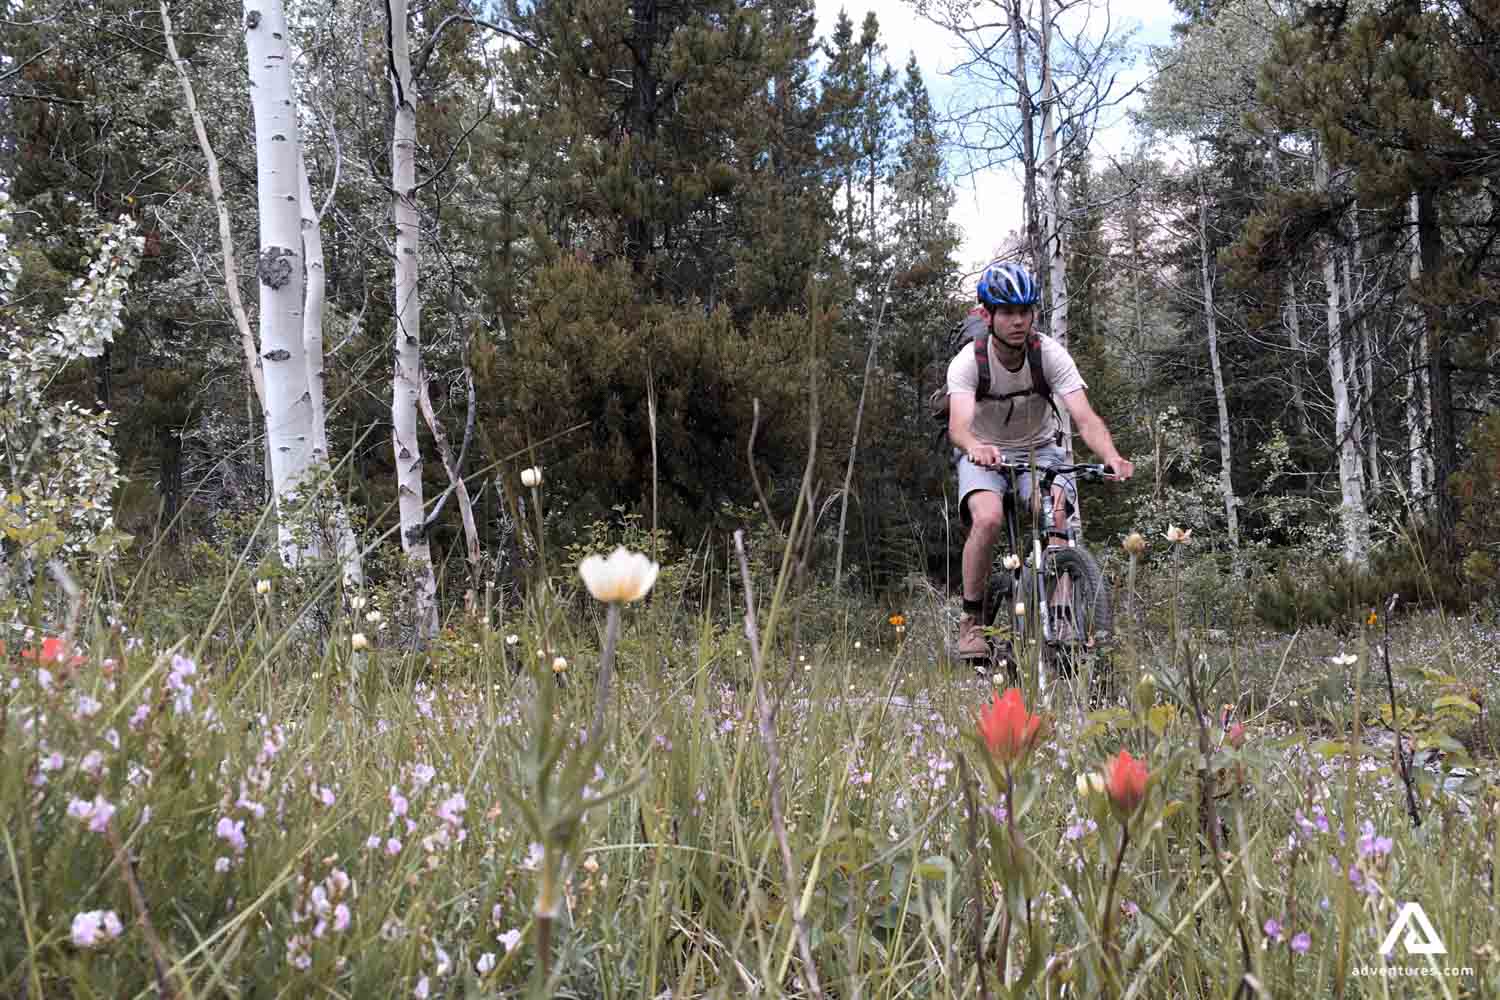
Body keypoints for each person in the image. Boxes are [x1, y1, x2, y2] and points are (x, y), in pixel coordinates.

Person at [946, 260, 1134, 661]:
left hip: (1041, 450)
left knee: (1055, 514)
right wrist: (976, 446)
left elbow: (1085, 418)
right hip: (984, 451)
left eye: (1025, 312)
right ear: (987, 315)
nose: (1018, 321)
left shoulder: (1049, 354)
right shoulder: (968, 362)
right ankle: (972, 619)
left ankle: (1063, 616)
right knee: (989, 518)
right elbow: (959, 427)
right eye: (1008, 313)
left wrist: (1111, 456)